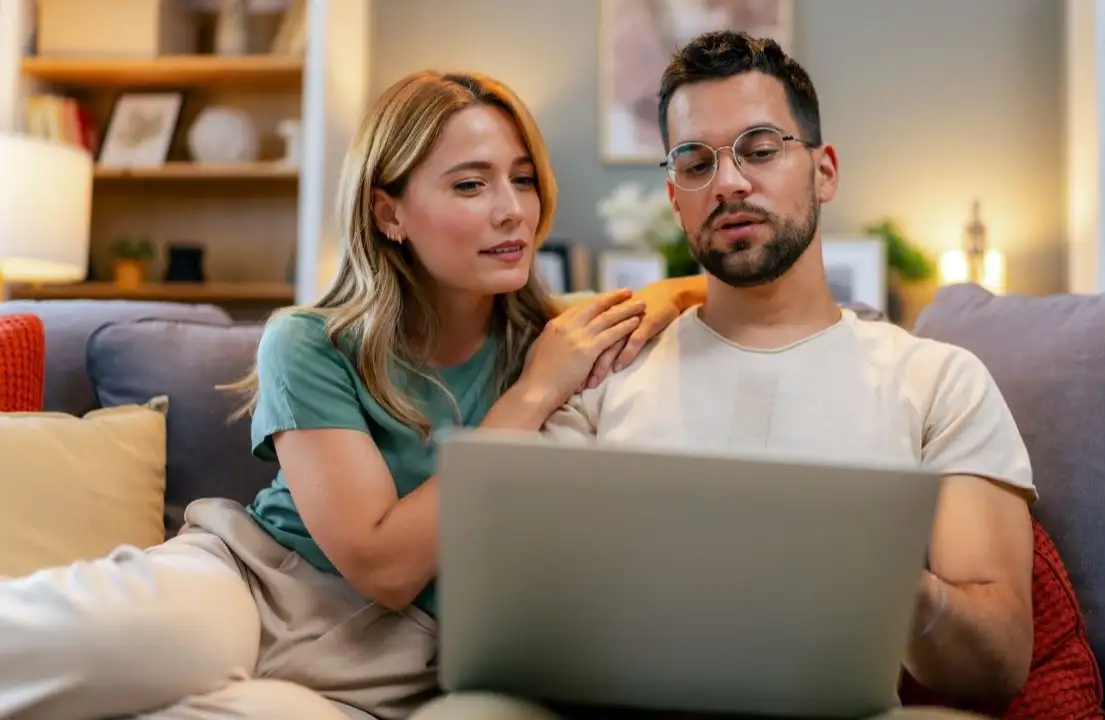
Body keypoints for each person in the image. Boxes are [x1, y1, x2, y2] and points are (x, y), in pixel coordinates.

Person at [0, 71, 709, 720]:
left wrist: (676, 284)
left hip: (400, 665)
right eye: (470, 185)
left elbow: (716, 288)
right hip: (254, 586)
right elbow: (384, 564)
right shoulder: (311, 342)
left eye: (522, 180)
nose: (511, 211)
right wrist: (529, 397)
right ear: (388, 212)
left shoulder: (561, 335)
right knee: (113, 641)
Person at [414, 31, 1034, 720]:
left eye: (761, 150)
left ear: (824, 171)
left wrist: (891, 583)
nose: (730, 182)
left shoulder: (937, 379)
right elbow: (518, 595)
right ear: (675, 196)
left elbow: (1002, 657)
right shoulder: (606, 364)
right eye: (696, 162)